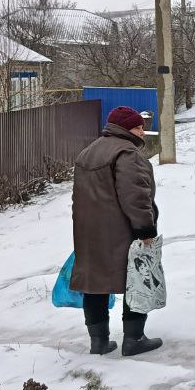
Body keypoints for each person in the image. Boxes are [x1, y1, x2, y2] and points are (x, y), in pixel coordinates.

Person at [71, 106, 164, 357]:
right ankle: (134, 339)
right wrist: (145, 229)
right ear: (124, 129)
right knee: (137, 279)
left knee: (95, 283)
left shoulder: (87, 152)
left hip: (88, 231)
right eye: (137, 127)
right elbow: (135, 196)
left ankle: (98, 342)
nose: (142, 132)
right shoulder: (127, 152)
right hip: (122, 230)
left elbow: (77, 197)